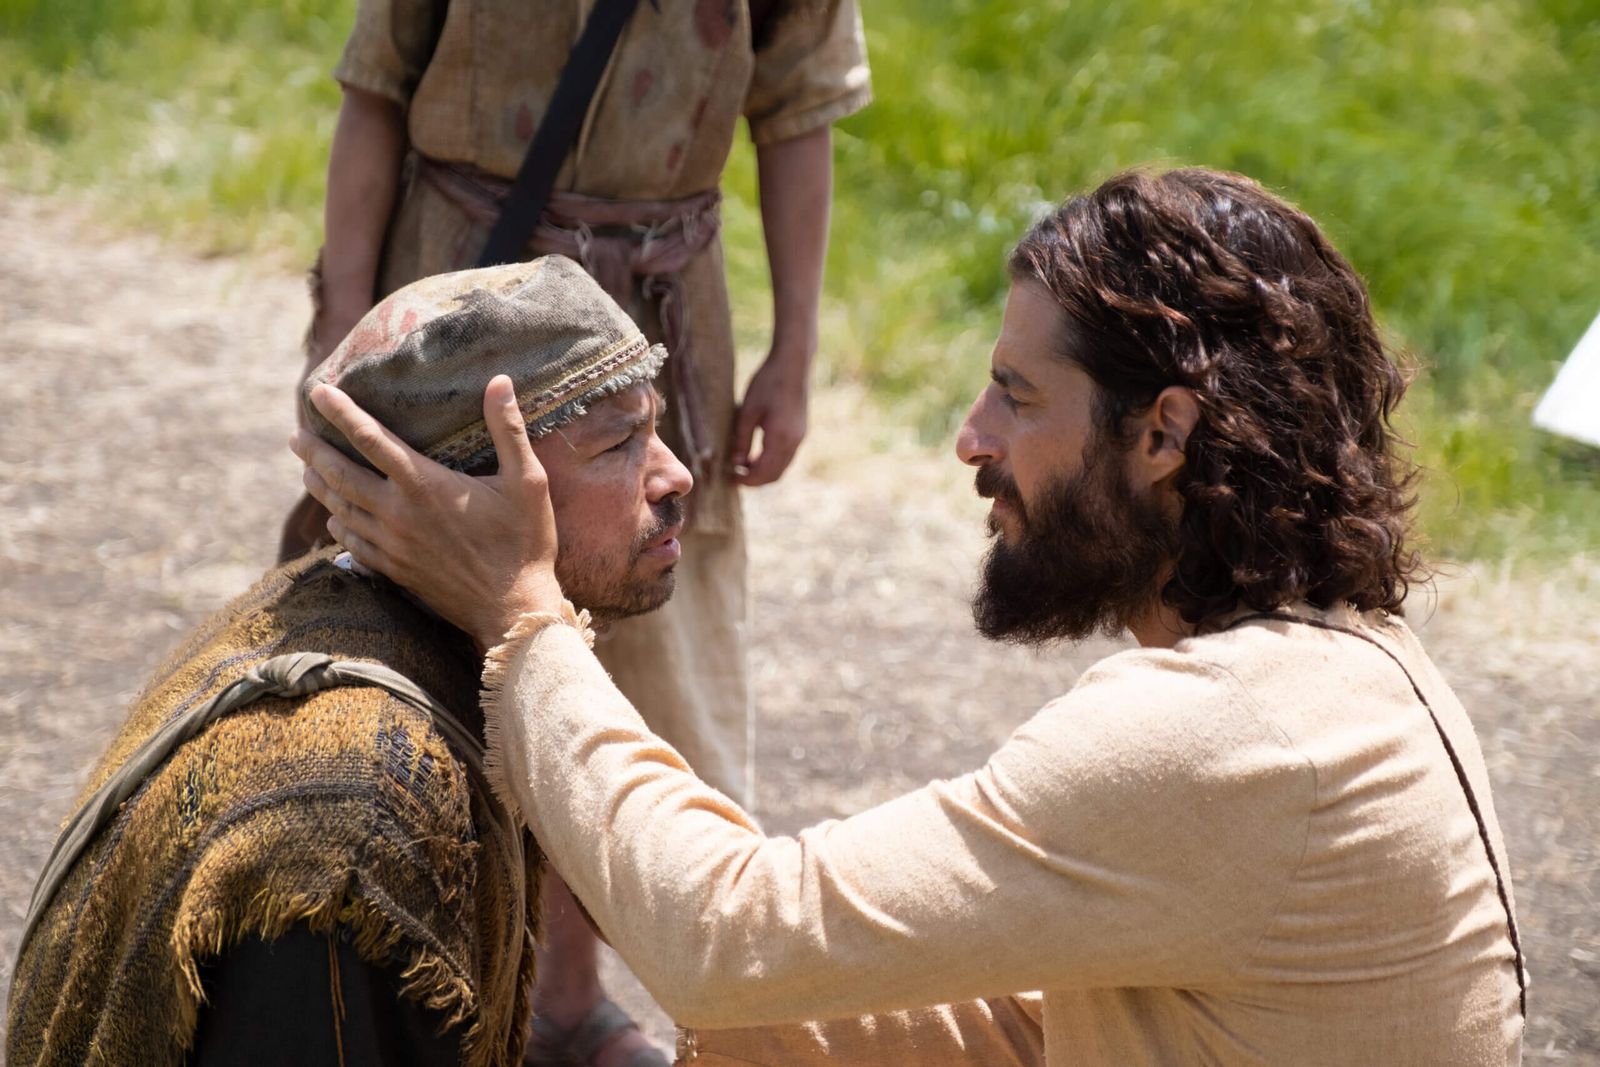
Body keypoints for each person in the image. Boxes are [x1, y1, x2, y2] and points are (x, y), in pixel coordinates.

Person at [292, 169, 1526, 1065]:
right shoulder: (1348, 671)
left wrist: (522, 618)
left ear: (1163, 434)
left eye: (1014, 394)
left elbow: (729, 933)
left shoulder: (1224, 734)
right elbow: (1044, 1021)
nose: (971, 439)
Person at [282, 7, 870, 1058]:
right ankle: (395, 992)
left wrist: (794, 346)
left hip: (659, 315)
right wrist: (343, 317)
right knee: (424, 632)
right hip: (459, 299)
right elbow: (375, 87)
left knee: (656, 644)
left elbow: (798, 114)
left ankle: (574, 1001)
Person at [8, 258, 691, 1067]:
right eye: (618, 442)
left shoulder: (357, 621)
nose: (675, 474)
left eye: (652, 427)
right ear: (458, 497)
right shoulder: (357, 819)